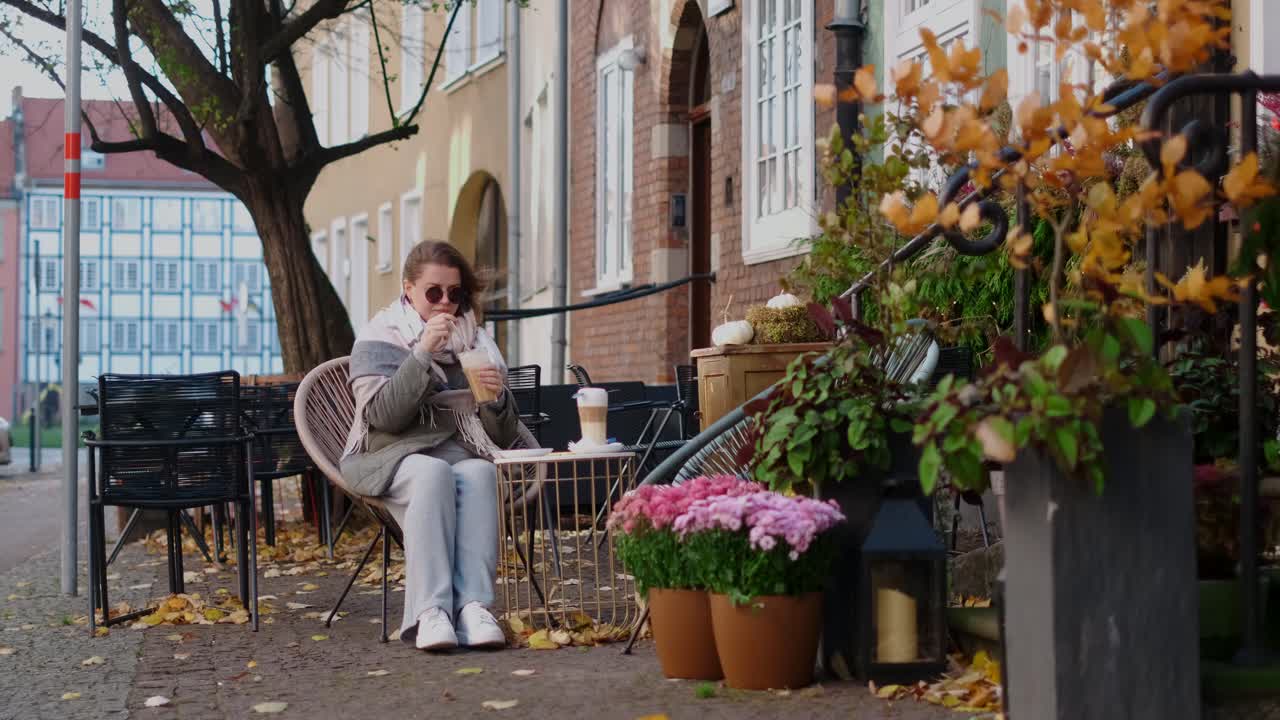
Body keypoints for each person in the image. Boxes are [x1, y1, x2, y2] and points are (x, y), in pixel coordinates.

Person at [340, 240, 521, 651]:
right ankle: (431, 612)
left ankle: (474, 606)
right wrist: (422, 352)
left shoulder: (477, 343)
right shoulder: (379, 338)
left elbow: (503, 438)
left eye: (454, 294)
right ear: (408, 289)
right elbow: (384, 417)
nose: (445, 304)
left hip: (460, 450)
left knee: (478, 472)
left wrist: (494, 399)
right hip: (389, 452)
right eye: (433, 292)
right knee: (432, 472)